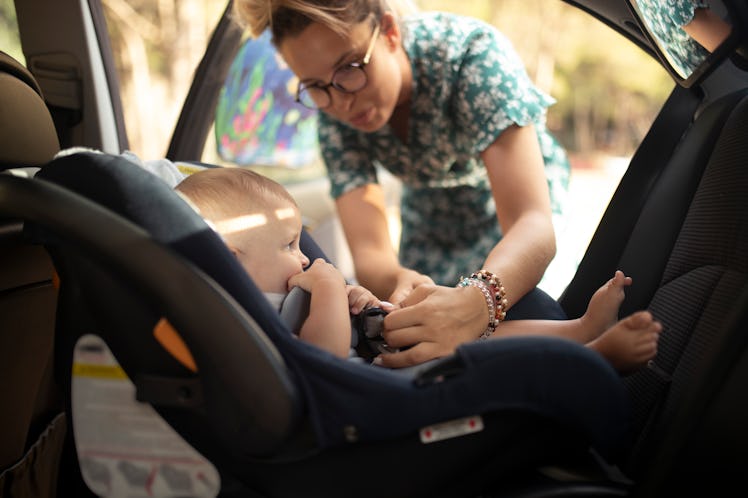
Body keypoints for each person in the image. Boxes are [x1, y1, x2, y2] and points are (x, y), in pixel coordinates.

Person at [232, 0, 573, 368]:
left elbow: (532, 224)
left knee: (514, 317)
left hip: (506, 204)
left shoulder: (472, 60)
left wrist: (480, 301)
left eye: (349, 68)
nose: (342, 102)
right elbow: (370, 254)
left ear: (390, 33)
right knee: (424, 332)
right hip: (429, 207)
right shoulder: (334, 115)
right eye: (315, 86)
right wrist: (398, 278)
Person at [175, 167, 661, 372]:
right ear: (229, 260)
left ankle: (579, 332)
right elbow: (317, 360)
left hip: (374, 345)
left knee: (473, 330)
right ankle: (592, 360)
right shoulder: (242, 310)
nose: (304, 257)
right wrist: (327, 291)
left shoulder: (276, 289)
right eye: (287, 245)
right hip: (371, 383)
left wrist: (356, 299)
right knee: (473, 359)